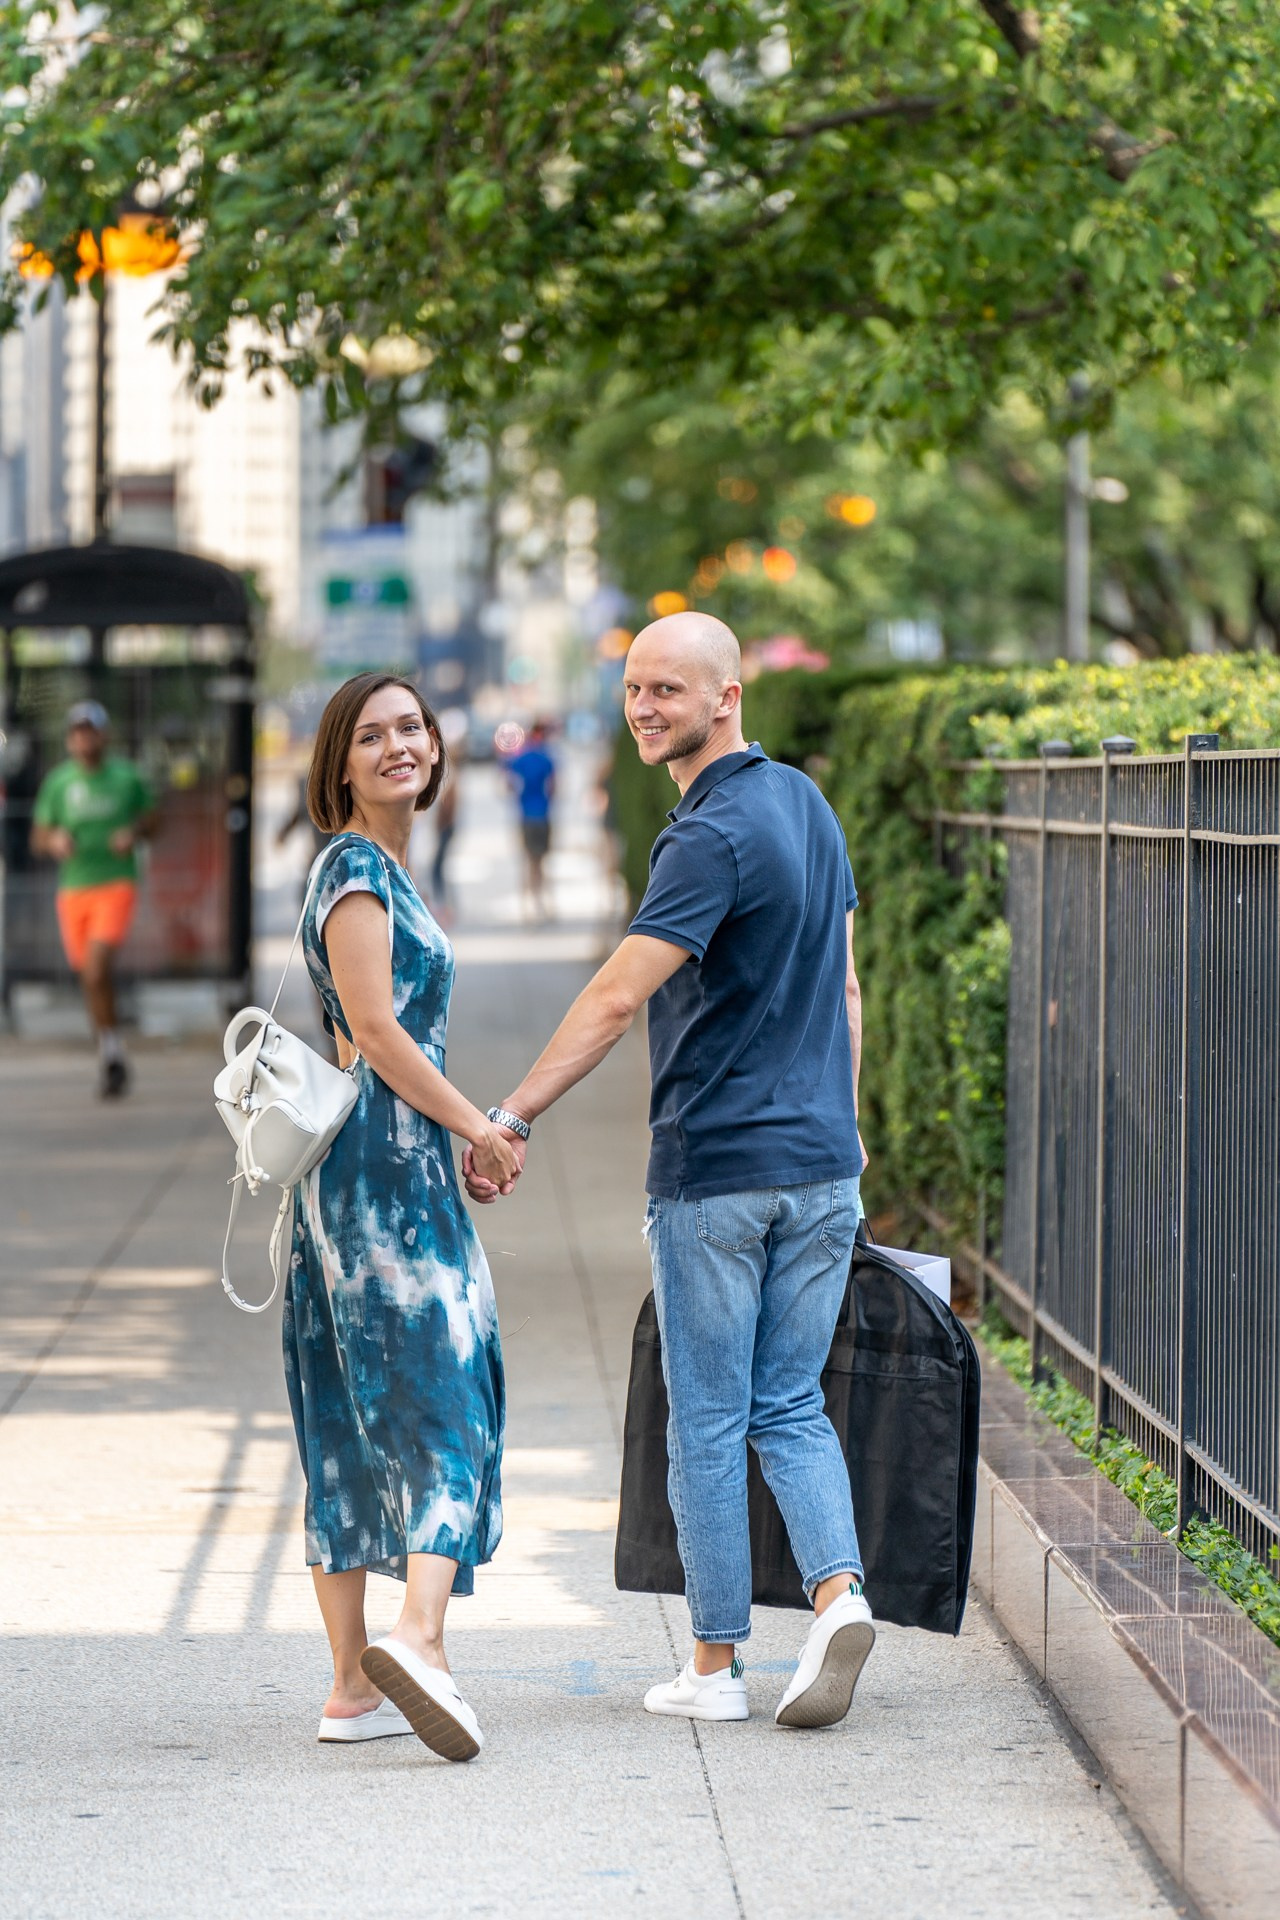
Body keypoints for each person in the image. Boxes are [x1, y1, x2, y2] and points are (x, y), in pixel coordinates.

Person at [466, 612, 873, 1731]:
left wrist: (511, 1112)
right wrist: (848, 1123)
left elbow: (614, 994)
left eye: (667, 691)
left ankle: (713, 1667)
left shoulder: (706, 835)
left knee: (705, 1415)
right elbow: (843, 988)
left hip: (718, 1171)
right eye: (635, 689)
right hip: (820, 1164)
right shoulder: (808, 805)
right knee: (788, 1400)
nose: (645, 708)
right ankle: (838, 1595)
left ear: (725, 696)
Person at [285, 670, 521, 1762]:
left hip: (367, 1176)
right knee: (451, 1397)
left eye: (412, 728)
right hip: (381, 1190)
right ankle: (418, 1639)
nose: (399, 746)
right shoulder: (356, 873)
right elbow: (376, 1033)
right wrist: (478, 1127)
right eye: (372, 735)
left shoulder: (375, 870)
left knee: (344, 1417)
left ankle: (348, 1690)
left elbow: (376, 1042)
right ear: (339, 762)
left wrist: (453, 1139)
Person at [30, 700, 156, 1098]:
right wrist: (55, 840)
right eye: (77, 732)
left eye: (90, 731)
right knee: (88, 976)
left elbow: (153, 819)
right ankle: (110, 1050)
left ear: (103, 734)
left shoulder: (126, 777)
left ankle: (111, 1050)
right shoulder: (59, 783)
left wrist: (133, 832)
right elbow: (39, 835)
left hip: (115, 883)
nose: (84, 739)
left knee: (96, 970)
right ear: (70, 739)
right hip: (74, 889)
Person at [505, 720, 556, 919]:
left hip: (525, 815)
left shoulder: (520, 758)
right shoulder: (547, 757)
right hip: (543, 814)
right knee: (542, 862)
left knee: (527, 861)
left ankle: (527, 907)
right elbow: (554, 787)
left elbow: (508, 784)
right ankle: (545, 904)